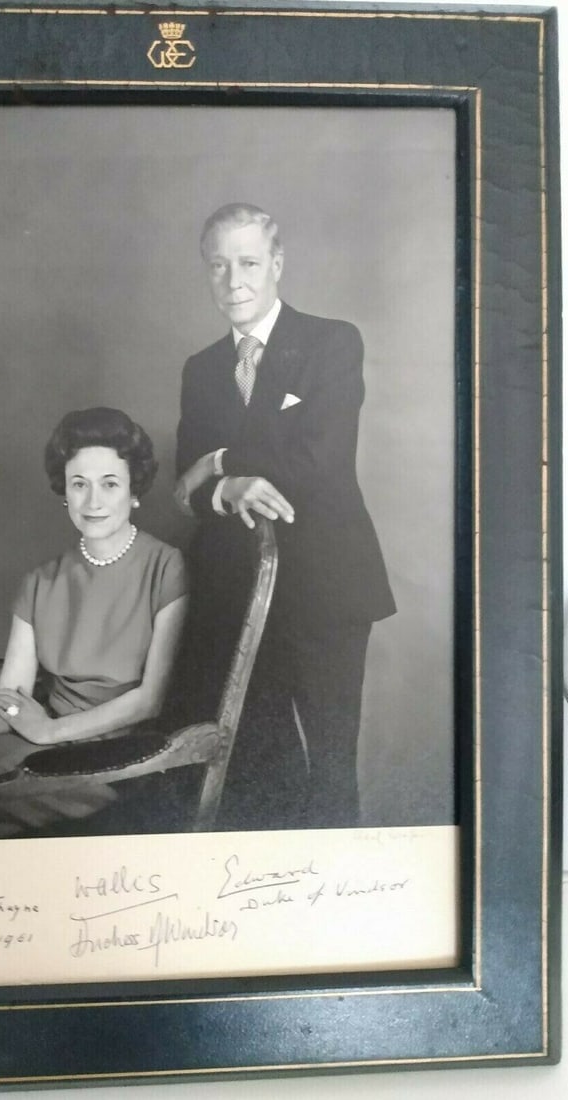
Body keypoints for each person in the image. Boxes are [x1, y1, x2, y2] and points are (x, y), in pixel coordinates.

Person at [173, 203, 396, 830]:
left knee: (329, 769)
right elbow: (184, 493)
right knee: (258, 768)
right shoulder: (201, 370)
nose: (233, 280)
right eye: (218, 266)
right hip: (236, 597)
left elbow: (318, 460)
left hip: (327, 589)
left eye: (247, 263)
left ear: (276, 264)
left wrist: (218, 460)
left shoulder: (331, 340)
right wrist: (225, 487)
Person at [0, 407, 188, 841]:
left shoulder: (166, 566)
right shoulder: (39, 581)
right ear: (64, 493)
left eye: (109, 484)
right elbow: (8, 697)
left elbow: (150, 701)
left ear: (134, 492)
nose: (93, 502)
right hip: (41, 742)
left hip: (121, 758)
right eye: (79, 484)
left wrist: (49, 731)